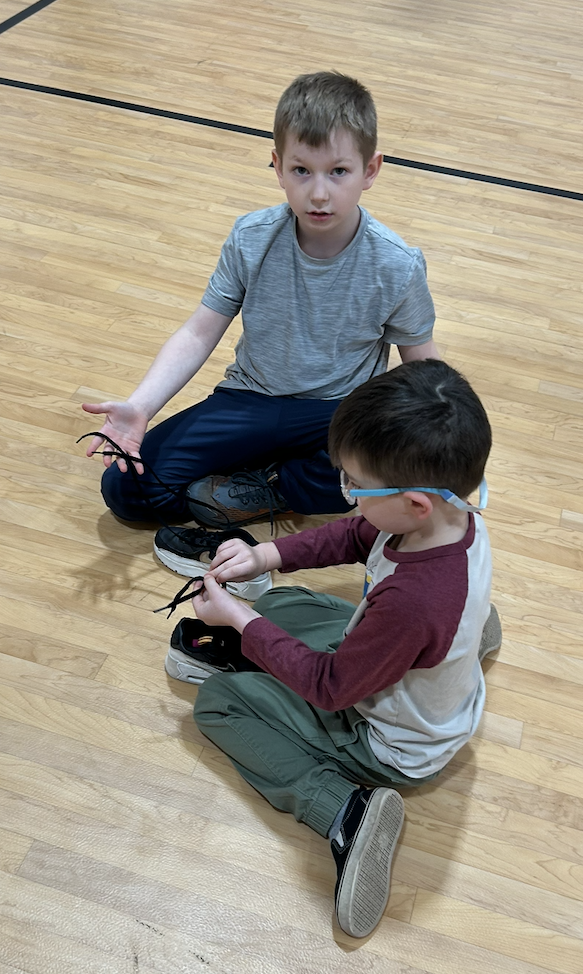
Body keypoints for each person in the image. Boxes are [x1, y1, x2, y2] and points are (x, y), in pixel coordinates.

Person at [179, 359, 501, 939]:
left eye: (354, 482)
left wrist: (236, 617)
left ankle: (345, 812)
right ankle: (467, 636)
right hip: (413, 665)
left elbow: (333, 688)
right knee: (282, 605)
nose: (346, 492)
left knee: (219, 702)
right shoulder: (453, 512)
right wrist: (265, 557)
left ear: (415, 503)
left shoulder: (413, 602)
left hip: (390, 742)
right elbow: (358, 533)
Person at [81, 71, 438, 544]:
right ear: (276, 165)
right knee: (128, 488)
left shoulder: (397, 264)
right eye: (301, 170)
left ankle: (270, 486)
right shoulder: (251, 237)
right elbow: (199, 331)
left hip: (338, 412)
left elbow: (422, 369)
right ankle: (261, 475)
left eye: (338, 171)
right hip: (249, 400)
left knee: (392, 480)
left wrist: (431, 444)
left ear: (370, 170)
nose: (318, 193)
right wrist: (141, 406)